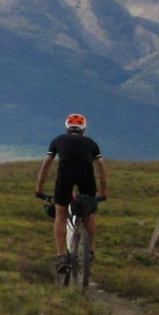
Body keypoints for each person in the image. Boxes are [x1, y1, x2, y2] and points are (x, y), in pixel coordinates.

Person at [35, 113, 107, 275]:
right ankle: (90, 251)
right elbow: (101, 169)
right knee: (88, 213)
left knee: (60, 214)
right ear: (84, 130)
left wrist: (39, 189)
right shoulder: (91, 143)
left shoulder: (57, 141)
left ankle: (61, 257)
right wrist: (103, 192)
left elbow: (45, 166)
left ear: (67, 128)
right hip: (86, 177)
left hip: (65, 176)